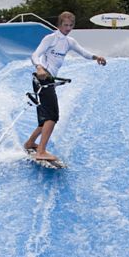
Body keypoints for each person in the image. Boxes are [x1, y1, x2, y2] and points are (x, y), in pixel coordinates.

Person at [24, 11, 107, 161]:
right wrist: (39, 67)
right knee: (52, 116)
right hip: (42, 77)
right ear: (59, 25)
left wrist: (96, 57)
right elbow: (35, 55)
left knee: (47, 118)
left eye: (70, 25)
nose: (68, 28)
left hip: (49, 80)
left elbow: (84, 53)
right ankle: (41, 151)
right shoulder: (51, 38)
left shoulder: (69, 42)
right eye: (65, 25)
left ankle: (30, 143)